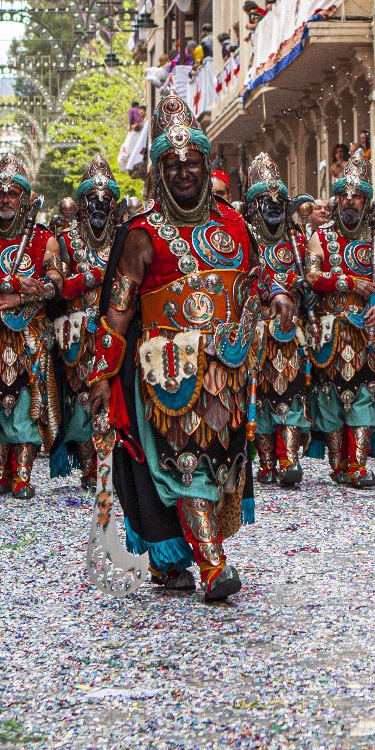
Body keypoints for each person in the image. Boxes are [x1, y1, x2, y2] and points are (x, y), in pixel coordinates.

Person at [88, 92, 277, 602]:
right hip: (167, 374)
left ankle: (170, 561)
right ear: (158, 172)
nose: (184, 173)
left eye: (192, 163)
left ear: (206, 163)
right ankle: (213, 566)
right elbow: (118, 311)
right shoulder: (140, 235)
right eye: (171, 165)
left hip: (228, 372)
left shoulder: (235, 224)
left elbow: (252, 282)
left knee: (221, 463)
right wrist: (102, 375)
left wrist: (271, 302)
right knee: (184, 463)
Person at [0, 154, 63, 500]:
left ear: (24, 198)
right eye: (1, 194)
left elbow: (55, 283)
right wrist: (13, 283)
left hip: (29, 336)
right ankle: (0, 469)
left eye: (14, 194)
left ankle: (22, 474)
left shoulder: (43, 239)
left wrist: (23, 296)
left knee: (25, 401)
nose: (6, 200)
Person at [304, 151, 375, 488]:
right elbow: (312, 276)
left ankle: (357, 464)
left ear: (366, 201)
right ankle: (338, 463)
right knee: (330, 396)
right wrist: (347, 281)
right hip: (329, 331)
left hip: (366, 331)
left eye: (357, 196)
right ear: (337, 199)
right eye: (345, 195)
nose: (350, 201)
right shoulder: (320, 237)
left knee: (363, 395)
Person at [238, 153, 313, 490]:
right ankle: (266, 462)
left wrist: (306, 288)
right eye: (264, 202)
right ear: (253, 208)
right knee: (260, 396)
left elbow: (310, 276)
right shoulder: (242, 242)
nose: (272, 207)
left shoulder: (295, 242)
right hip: (255, 332)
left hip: (289, 334)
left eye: (279, 202)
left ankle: (289, 459)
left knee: (291, 393)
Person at [52, 158, 121, 490]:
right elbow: (59, 287)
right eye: (93, 201)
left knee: (114, 396)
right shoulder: (66, 241)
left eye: (105, 202)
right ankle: (88, 468)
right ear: (82, 204)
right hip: (78, 335)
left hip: (114, 331)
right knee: (81, 398)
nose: (99, 207)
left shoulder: (123, 238)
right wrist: (92, 277)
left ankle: (112, 462)